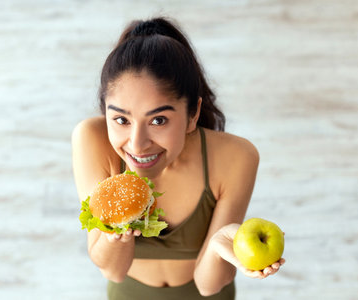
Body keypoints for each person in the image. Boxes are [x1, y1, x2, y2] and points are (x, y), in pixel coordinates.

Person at [72, 17, 285, 300]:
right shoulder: (92, 139)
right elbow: (113, 271)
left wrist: (220, 243)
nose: (137, 144)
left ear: (192, 114)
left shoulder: (236, 156)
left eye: (159, 120)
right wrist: (115, 234)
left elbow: (209, 285)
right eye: (121, 119)